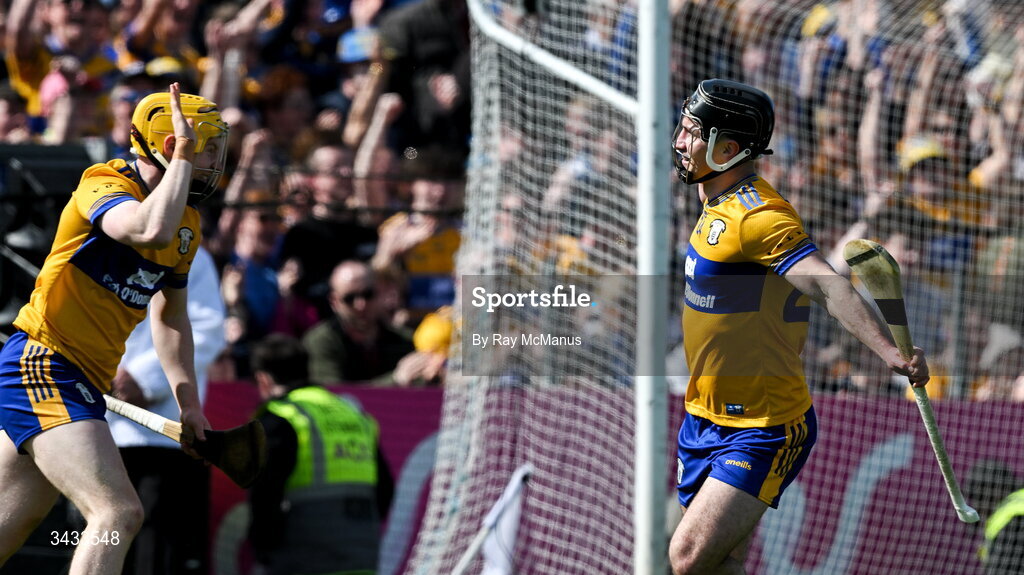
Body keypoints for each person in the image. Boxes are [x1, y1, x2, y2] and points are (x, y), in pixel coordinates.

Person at [668, 78, 929, 575]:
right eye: (682, 127)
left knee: (685, 559)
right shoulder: (712, 201)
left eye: (691, 132)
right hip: (704, 414)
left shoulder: (760, 217)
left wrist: (891, 354)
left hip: (763, 426)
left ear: (728, 148)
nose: (680, 141)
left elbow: (830, 286)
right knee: (721, 564)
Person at [0, 83, 228, 574]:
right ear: (172, 146)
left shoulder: (187, 225)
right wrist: (186, 159)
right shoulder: (104, 181)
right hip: (42, 366)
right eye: (208, 150)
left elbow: (171, 320)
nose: (214, 163)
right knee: (116, 514)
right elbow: (146, 229)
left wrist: (189, 404)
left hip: (81, 383)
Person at [106, 244, 227, 575]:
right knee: (102, 542)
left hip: (162, 435)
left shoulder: (190, 254)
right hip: (99, 431)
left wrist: (143, 381)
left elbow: (207, 328)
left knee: (156, 549)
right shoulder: (97, 246)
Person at [248, 333, 394, 575]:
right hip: (362, 552)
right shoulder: (353, 413)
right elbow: (385, 488)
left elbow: (266, 494)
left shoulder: (282, 417)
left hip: (305, 554)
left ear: (263, 380)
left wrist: (264, 547)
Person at [303, 260, 414, 384]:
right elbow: (333, 395)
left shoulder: (405, 340)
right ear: (334, 301)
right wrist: (395, 380)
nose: (361, 305)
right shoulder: (321, 341)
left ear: (378, 293)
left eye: (368, 294)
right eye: (349, 298)